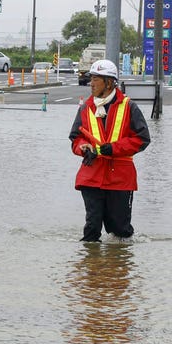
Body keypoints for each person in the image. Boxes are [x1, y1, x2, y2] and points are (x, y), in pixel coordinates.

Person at [68, 58, 152, 242]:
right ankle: (94, 268)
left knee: (120, 230)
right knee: (91, 229)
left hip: (120, 177)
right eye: (91, 78)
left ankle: (116, 268)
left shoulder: (129, 107)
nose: (91, 83)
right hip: (92, 175)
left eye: (96, 79)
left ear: (109, 82)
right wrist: (84, 148)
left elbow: (142, 139)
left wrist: (113, 148)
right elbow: (75, 138)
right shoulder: (85, 108)